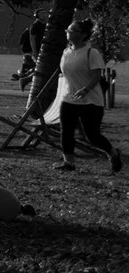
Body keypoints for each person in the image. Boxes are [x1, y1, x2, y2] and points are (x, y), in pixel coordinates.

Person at [55, 18, 122, 173]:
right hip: (69, 98)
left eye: (72, 30)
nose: (68, 32)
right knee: (66, 131)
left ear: (83, 34)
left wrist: (85, 89)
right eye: (68, 30)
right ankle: (68, 163)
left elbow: (96, 75)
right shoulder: (67, 51)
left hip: (90, 101)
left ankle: (112, 153)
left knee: (92, 136)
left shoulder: (91, 53)